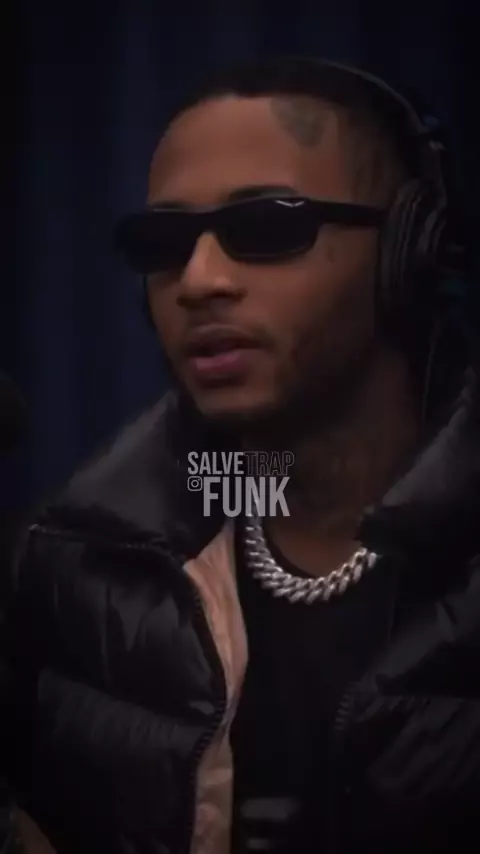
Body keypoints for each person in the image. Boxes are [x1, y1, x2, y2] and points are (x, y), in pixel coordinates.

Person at [4, 55, 480, 854]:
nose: (198, 280)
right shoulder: (73, 564)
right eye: (164, 242)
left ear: (412, 252)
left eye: (268, 228)